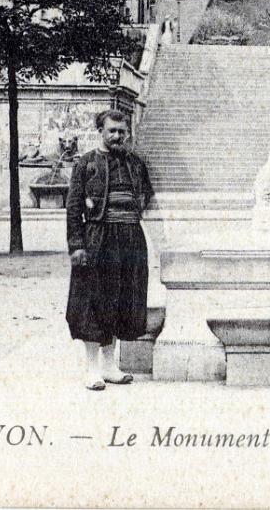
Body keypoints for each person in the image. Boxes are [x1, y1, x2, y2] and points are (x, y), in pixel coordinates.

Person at [66, 109, 155, 390]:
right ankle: (92, 370)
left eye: (122, 131)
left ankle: (110, 366)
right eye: (112, 131)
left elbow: (148, 197)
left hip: (130, 239)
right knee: (93, 302)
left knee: (119, 301)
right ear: (100, 132)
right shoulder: (86, 164)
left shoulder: (137, 163)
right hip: (97, 239)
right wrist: (77, 245)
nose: (117, 136)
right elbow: (73, 208)